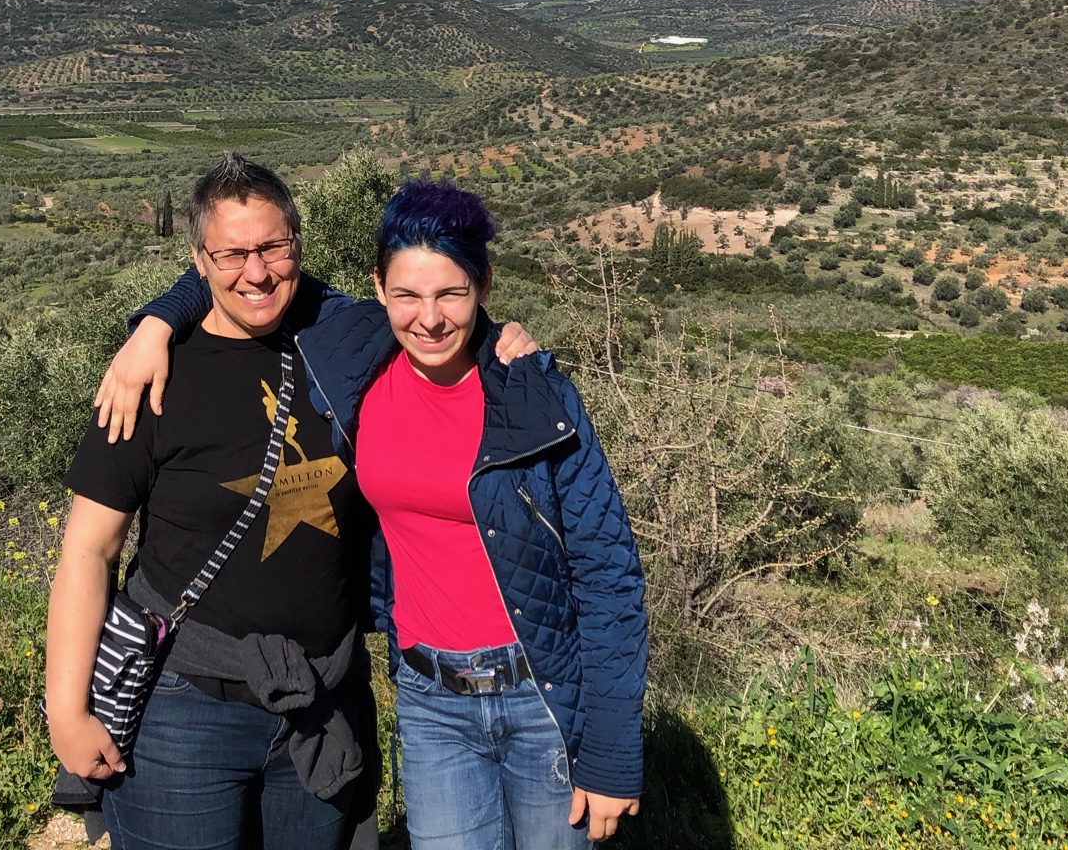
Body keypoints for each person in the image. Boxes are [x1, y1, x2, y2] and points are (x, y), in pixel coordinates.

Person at [106, 176, 647, 847]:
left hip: (541, 697)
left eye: (452, 291)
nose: (429, 317)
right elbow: (251, 273)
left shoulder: (534, 393)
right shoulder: (354, 350)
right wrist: (156, 323)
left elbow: (609, 574)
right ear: (377, 289)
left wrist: (614, 755)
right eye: (407, 294)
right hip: (430, 705)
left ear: (483, 284)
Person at [46, 154, 537, 850]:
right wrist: (66, 712)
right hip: (185, 707)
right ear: (197, 259)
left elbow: (434, 320)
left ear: (297, 246)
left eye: (272, 247)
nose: (256, 271)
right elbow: (88, 550)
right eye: (231, 253)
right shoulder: (151, 379)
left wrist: (501, 340)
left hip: (325, 694)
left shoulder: (344, 344)